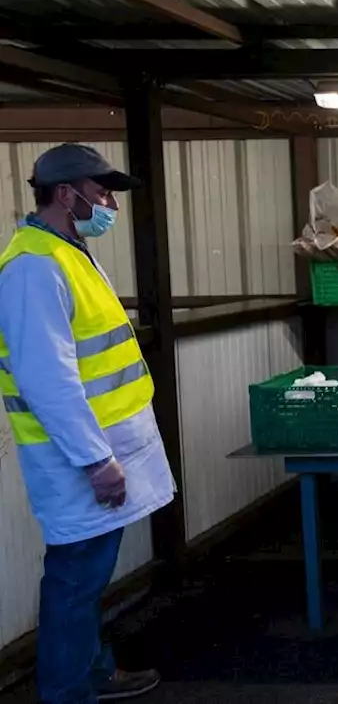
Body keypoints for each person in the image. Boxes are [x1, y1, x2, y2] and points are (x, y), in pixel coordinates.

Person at [0, 144, 176, 704]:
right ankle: (67, 690)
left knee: (89, 576)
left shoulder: (68, 251)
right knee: (75, 579)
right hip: (76, 461)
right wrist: (95, 460)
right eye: (101, 193)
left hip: (104, 451)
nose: (109, 205)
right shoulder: (33, 267)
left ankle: (92, 671)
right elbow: (47, 379)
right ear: (64, 194)